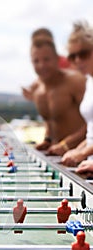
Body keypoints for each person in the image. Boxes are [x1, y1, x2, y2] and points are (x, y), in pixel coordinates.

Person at [25, 38, 86, 155]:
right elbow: (51, 118)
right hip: (56, 158)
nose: (42, 65)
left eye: (46, 59)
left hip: (81, 159)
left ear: (57, 59)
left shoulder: (76, 81)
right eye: (36, 61)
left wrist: (67, 144)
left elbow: (91, 120)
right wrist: (47, 140)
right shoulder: (38, 88)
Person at [61, 21, 93, 166]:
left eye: (83, 54)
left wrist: (81, 154)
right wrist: (75, 149)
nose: (78, 60)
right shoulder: (89, 81)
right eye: (73, 56)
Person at [22, 27, 71, 101]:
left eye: (44, 41)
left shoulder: (67, 64)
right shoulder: (44, 72)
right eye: (37, 42)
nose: (41, 65)